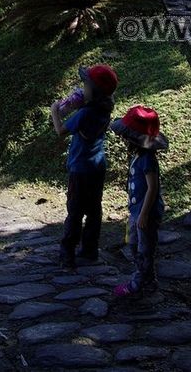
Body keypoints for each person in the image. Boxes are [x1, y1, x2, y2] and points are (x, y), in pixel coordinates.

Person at [50, 64, 118, 269]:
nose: (82, 88)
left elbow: (61, 131)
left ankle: (67, 253)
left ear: (94, 91)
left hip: (80, 168)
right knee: (94, 210)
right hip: (97, 167)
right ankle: (89, 251)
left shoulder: (85, 114)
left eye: (86, 85)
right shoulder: (103, 110)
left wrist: (55, 112)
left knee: (75, 210)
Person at [110, 105, 168, 297]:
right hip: (137, 211)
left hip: (146, 213)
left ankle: (139, 283)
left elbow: (153, 188)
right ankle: (148, 279)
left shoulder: (147, 159)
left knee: (144, 248)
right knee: (134, 244)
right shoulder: (138, 156)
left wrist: (143, 214)